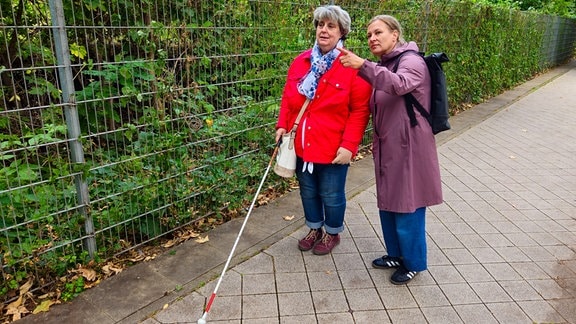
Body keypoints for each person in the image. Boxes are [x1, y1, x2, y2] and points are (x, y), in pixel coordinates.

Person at [338, 15, 443, 283]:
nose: (372, 38)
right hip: (389, 146)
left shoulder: (411, 60)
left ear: (395, 35)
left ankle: (414, 263)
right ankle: (396, 253)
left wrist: (363, 65)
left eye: (378, 32)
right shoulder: (386, 63)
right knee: (389, 203)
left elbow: (399, 84)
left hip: (410, 148)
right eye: (369, 35)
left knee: (408, 204)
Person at [275, 5, 371, 255]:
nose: (324, 30)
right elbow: (288, 97)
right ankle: (314, 228)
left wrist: (349, 145)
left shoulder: (352, 66)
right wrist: (282, 125)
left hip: (333, 146)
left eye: (331, 26)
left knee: (332, 193)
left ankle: (332, 232)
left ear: (342, 32)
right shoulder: (301, 61)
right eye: (320, 25)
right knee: (308, 191)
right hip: (302, 143)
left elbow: (360, 110)